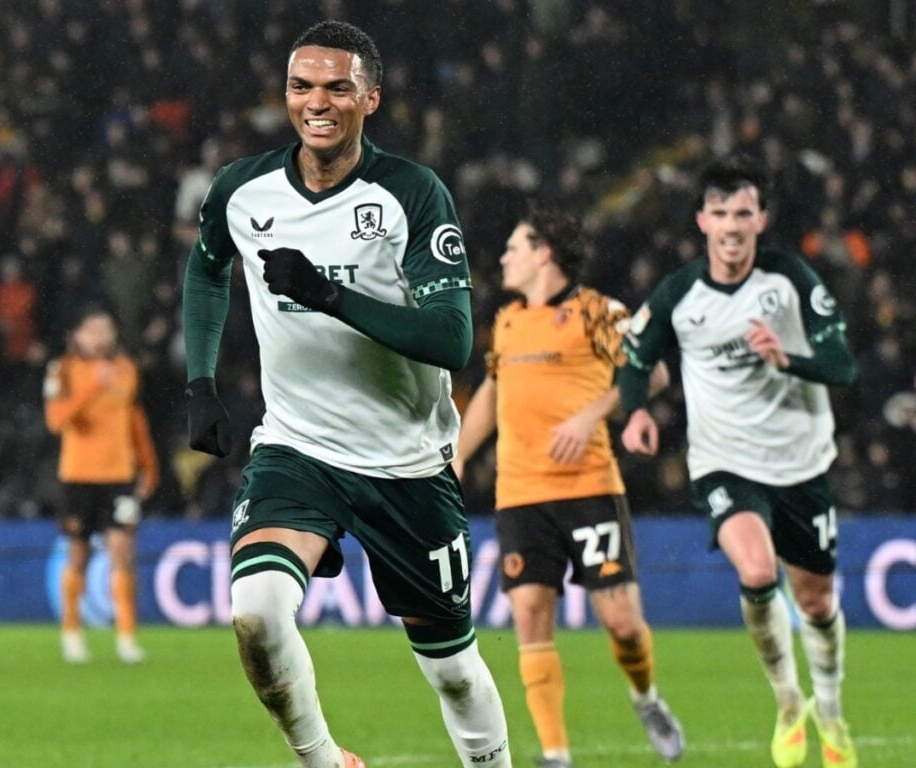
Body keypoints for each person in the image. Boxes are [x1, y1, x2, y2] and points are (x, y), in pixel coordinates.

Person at [182, 21, 511, 768]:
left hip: (406, 463)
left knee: (455, 672)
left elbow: (451, 339)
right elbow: (207, 268)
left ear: (371, 99)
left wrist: (330, 296)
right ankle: (325, 762)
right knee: (257, 613)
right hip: (298, 449)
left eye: (337, 88)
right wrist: (200, 381)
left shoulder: (411, 194)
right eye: (302, 87)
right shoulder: (242, 189)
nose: (317, 103)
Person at [617, 157, 858, 768]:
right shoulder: (679, 294)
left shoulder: (790, 280)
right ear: (702, 221)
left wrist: (788, 360)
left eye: (743, 213)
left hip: (800, 464)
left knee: (816, 602)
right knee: (755, 570)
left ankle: (830, 710)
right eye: (720, 212)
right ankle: (788, 701)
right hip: (724, 462)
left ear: (761, 220)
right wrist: (637, 411)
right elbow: (635, 358)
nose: (731, 225)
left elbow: (843, 365)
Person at [453, 202, 684, 767]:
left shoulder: (599, 311)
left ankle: (645, 696)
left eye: (514, 247)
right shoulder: (508, 322)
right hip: (520, 494)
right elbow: (493, 393)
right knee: (530, 613)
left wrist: (592, 414)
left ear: (544, 254)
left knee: (622, 624)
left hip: (588, 488)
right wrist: (455, 457)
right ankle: (555, 754)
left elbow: (653, 372)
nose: (503, 257)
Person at [44, 305, 160, 664]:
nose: (101, 336)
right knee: (78, 556)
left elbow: (134, 418)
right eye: (93, 329)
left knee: (123, 553)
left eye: (107, 329)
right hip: (78, 476)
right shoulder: (62, 370)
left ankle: (126, 637)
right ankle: (71, 632)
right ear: (78, 335)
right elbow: (56, 420)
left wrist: (149, 464)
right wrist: (93, 387)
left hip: (119, 476)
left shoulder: (126, 368)